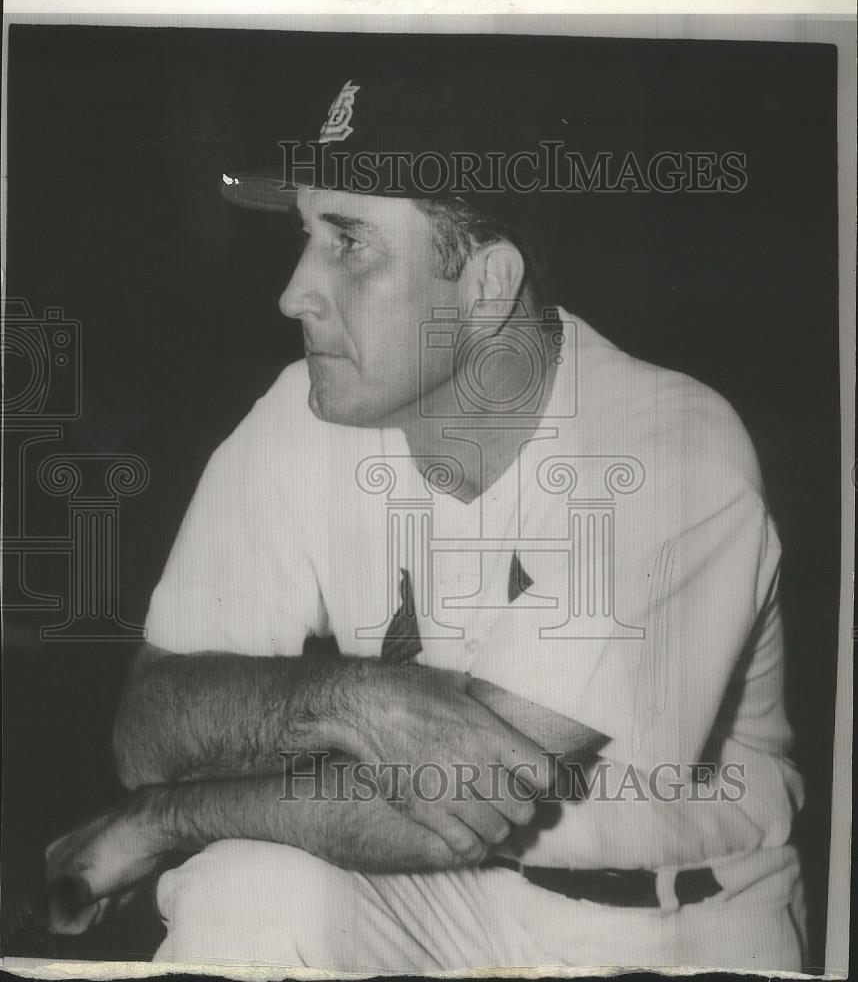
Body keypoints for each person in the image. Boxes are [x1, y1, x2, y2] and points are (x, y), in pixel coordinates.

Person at [45, 70, 806, 972]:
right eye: (304, 236)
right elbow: (147, 726)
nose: (295, 293)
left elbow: (469, 797)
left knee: (224, 846)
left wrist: (164, 820)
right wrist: (350, 700)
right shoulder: (307, 412)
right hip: (438, 904)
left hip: (672, 922)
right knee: (245, 892)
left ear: (486, 286)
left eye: (349, 242)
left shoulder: (669, 451)